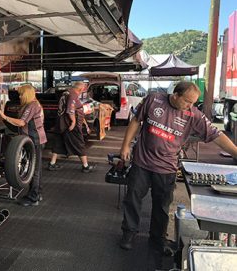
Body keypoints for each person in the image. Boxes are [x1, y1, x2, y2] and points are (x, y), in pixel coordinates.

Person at [119, 81, 237, 252]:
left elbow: (216, 136)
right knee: (133, 199)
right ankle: (128, 233)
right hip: (142, 162)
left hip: (166, 168)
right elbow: (136, 121)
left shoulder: (193, 115)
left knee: (162, 205)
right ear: (175, 95)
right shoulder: (153, 100)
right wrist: (125, 146)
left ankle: (157, 239)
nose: (191, 106)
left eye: (194, 103)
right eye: (187, 101)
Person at [0, 84, 47, 207]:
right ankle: (36, 194)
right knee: (36, 168)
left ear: (27, 94)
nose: (19, 96)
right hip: (35, 139)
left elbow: (21, 122)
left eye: (21, 94)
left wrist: (4, 117)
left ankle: (33, 197)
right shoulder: (33, 104)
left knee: (34, 169)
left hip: (34, 140)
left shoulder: (32, 105)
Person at [48, 82, 95, 173]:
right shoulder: (73, 95)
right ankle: (85, 166)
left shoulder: (66, 93)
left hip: (61, 124)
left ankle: (52, 163)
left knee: (59, 142)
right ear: (80, 89)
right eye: (84, 89)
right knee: (79, 143)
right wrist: (73, 122)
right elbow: (70, 110)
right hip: (70, 125)